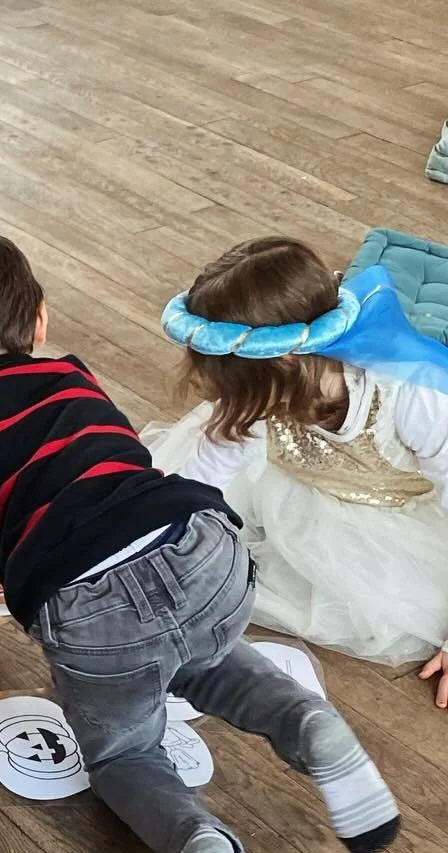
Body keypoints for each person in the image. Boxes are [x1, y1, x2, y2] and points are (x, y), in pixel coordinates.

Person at [0, 229, 400, 853]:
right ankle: (311, 727)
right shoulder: (73, 376)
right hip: (203, 548)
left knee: (126, 749)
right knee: (203, 652)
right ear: (39, 321)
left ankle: (197, 846)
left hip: (94, 614)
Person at [146, 238, 448, 707]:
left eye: (229, 382)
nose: (219, 394)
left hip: (395, 512)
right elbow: (195, 485)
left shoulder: (409, 394)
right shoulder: (260, 398)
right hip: (292, 486)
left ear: (283, 361)